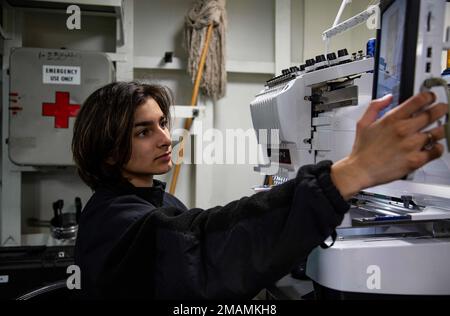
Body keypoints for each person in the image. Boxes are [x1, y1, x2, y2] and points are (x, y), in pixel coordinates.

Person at [72, 81, 447, 299]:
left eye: (163, 124)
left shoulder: (150, 197)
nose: (166, 139)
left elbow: (203, 229)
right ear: (108, 151)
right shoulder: (112, 223)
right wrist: (352, 172)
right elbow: (201, 250)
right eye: (144, 131)